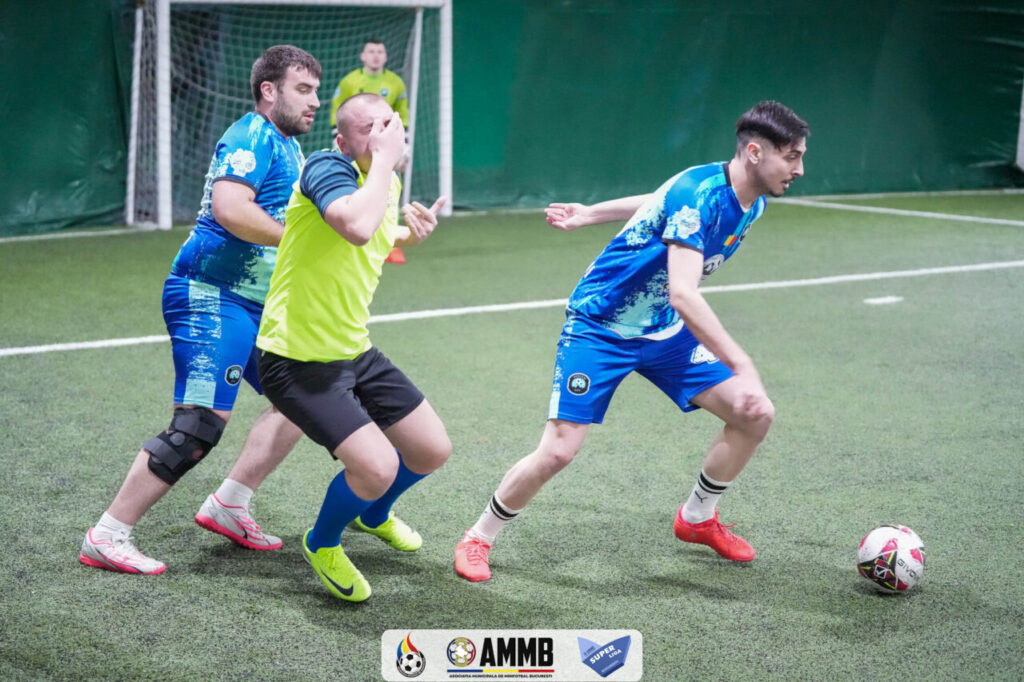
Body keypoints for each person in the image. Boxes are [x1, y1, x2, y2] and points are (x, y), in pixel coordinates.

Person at [454, 101, 809, 582]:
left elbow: (657, 200)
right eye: (792, 156)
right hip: (600, 326)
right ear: (754, 153)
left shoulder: (752, 202)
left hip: (663, 330)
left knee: (755, 414)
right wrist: (743, 365)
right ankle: (478, 536)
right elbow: (684, 292)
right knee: (558, 451)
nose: (799, 169)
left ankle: (697, 517)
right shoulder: (698, 192)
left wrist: (590, 213)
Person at [80, 45, 322, 575]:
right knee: (199, 424)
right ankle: (108, 534)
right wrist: (296, 241)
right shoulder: (251, 135)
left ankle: (230, 504)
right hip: (210, 294)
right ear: (268, 91)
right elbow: (230, 209)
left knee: (305, 398)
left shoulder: (287, 145)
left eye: (316, 91)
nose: (315, 102)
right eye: (303, 90)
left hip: (258, 304)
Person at [256, 93, 449, 602]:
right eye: (369, 129)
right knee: (377, 466)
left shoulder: (386, 180)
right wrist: (384, 161)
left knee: (430, 449)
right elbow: (357, 227)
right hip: (296, 359)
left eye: (389, 125)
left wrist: (409, 234)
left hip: (353, 350)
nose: (383, 135)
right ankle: (321, 543)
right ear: (342, 141)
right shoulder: (326, 168)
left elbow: (375, 234)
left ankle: (373, 514)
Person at [330, 38, 411, 265]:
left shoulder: (395, 83)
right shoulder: (350, 81)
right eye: (371, 51)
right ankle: (352, 229)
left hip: (386, 143)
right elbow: (338, 110)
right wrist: (338, 138)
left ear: (385, 57)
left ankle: (390, 241)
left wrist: (403, 143)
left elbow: (402, 114)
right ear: (363, 56)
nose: (376, 56)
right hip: (357, 145)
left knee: (391, 183)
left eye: (380, 52)